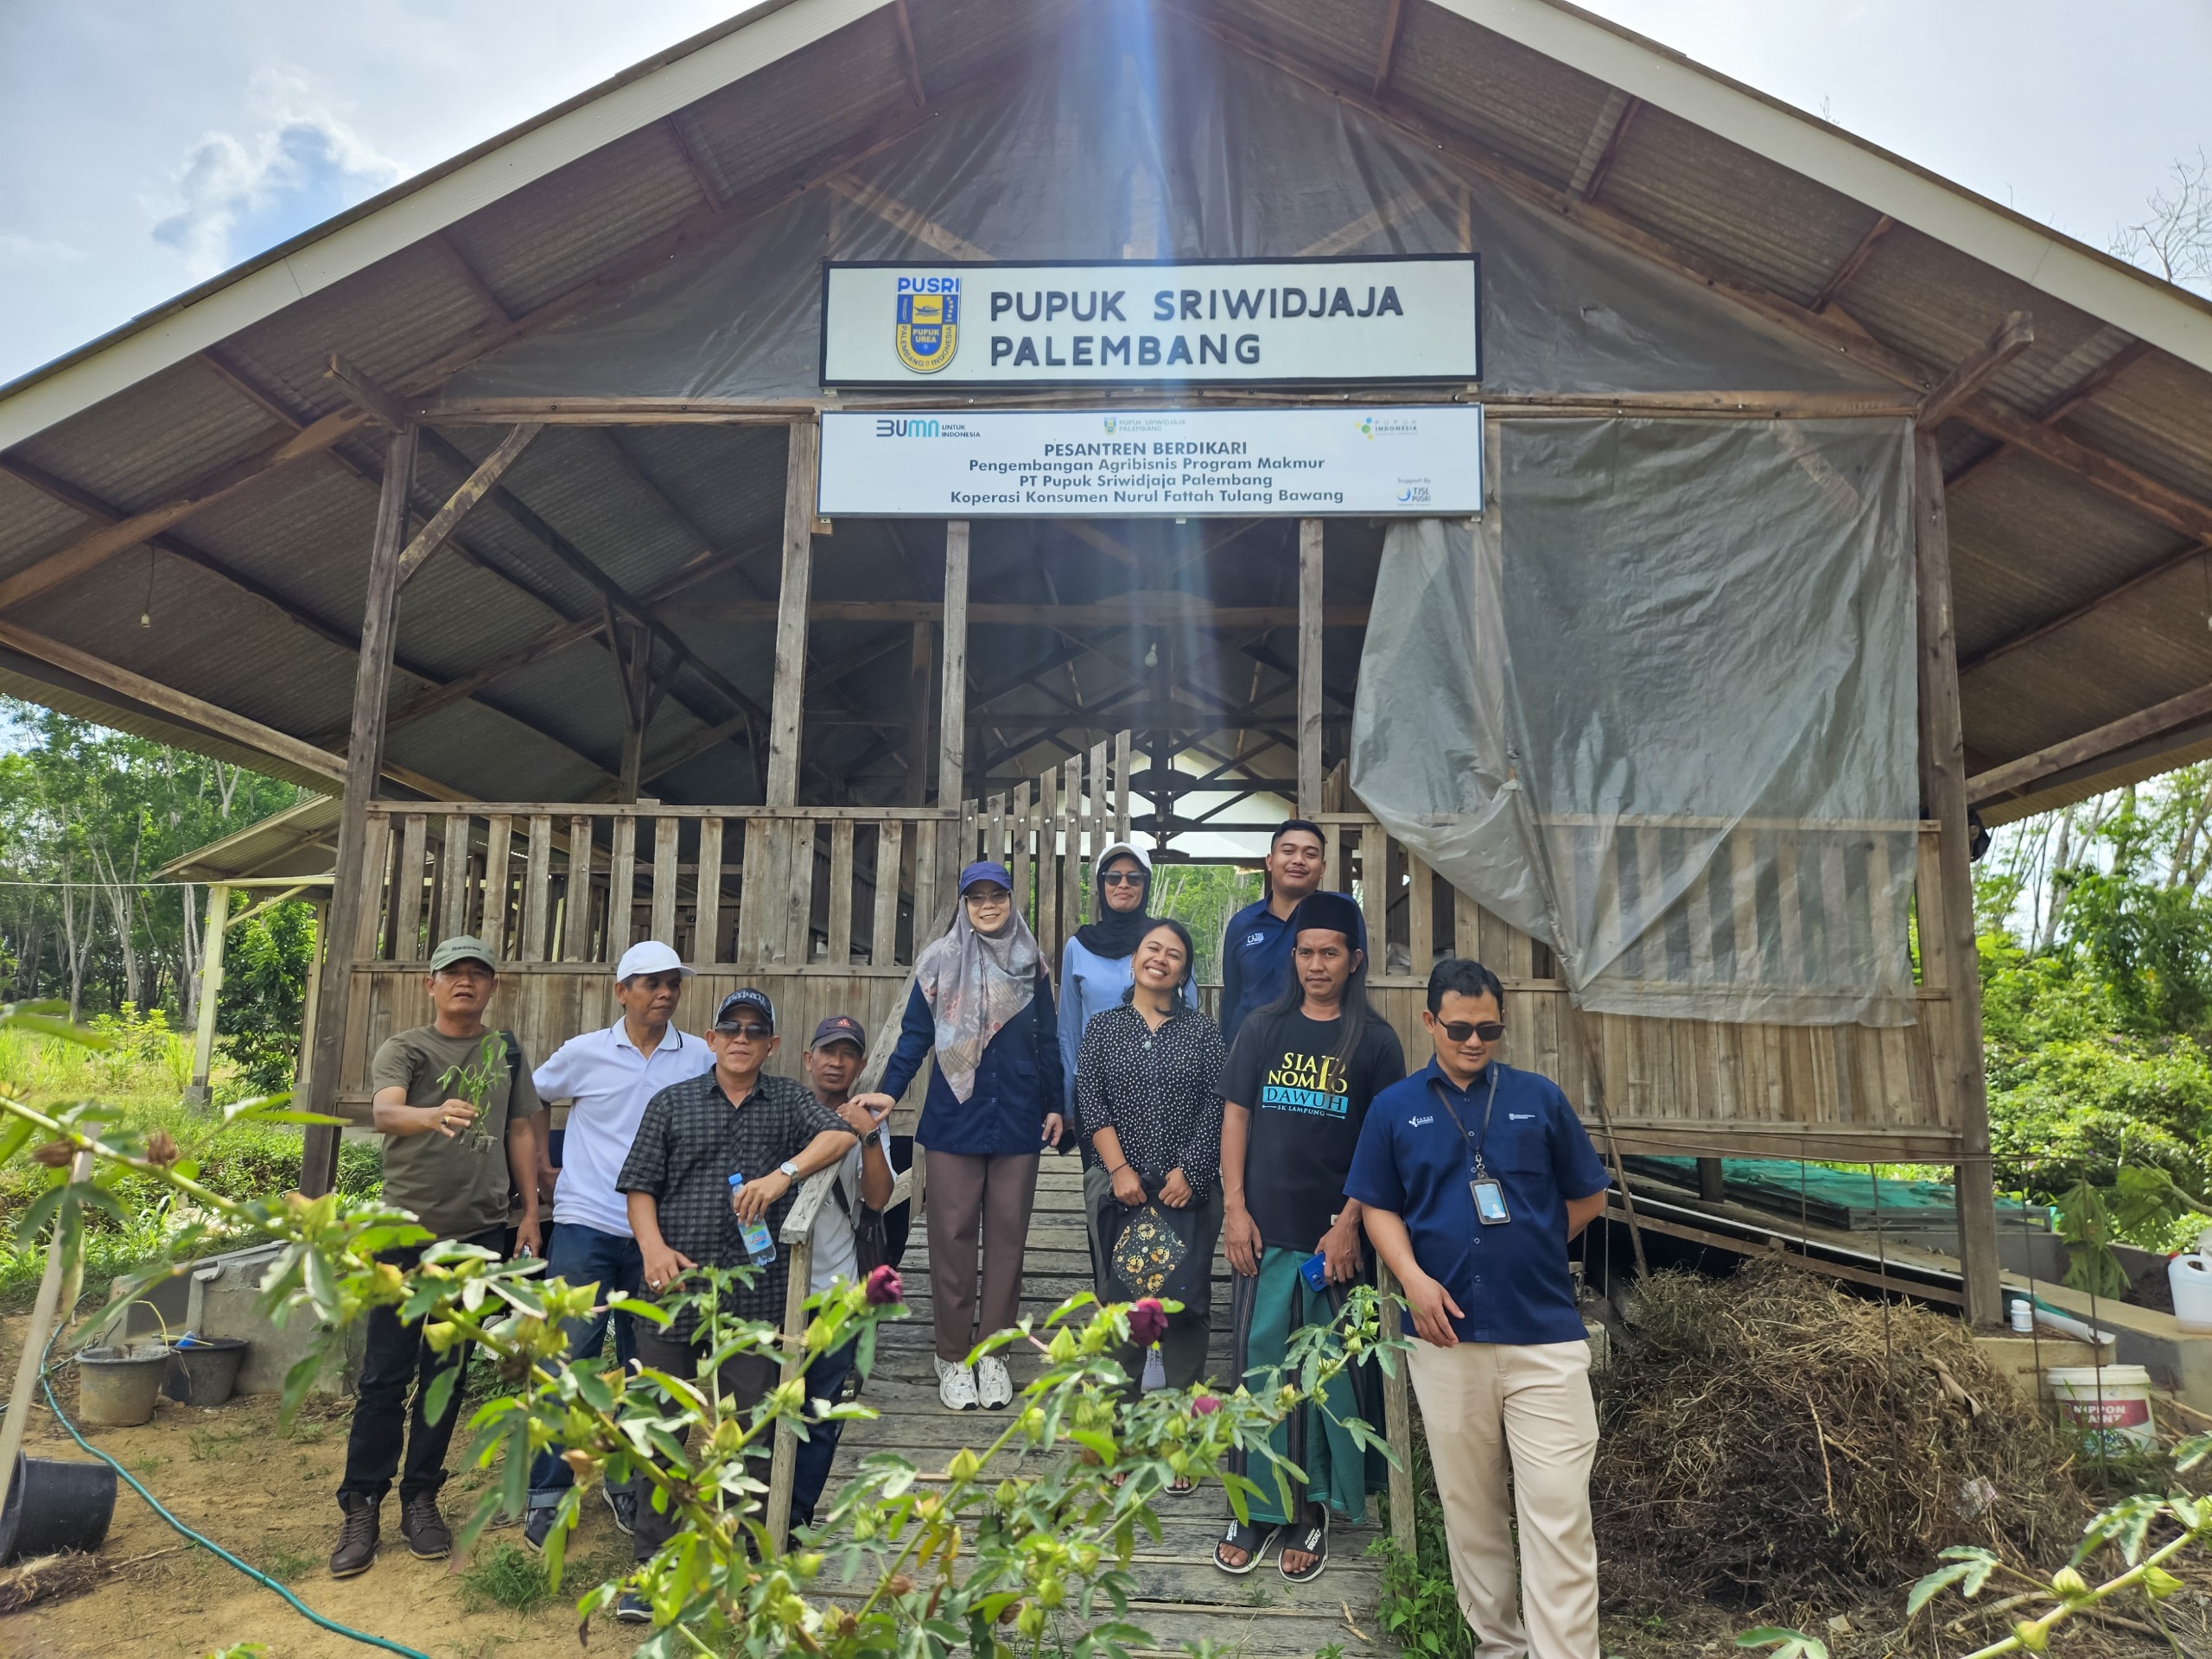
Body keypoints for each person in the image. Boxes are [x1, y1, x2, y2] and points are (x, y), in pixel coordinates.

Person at [1347, 959, 1611, 1659]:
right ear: (1429, 1021)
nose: (1473, 1042)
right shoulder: (1394, 1108)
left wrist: (1534, 1245)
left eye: (1488, 1030)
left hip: (1543, 1337)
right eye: (1460, 1028)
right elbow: (1377, 1206)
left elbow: (1588, 1195)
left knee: (1559, 1510)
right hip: (1445, 1340)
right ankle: (1500, 1648)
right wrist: (1411, 1279)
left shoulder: (1538, 1098)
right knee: (1472, 1513)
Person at [611, 987, 858, 1623]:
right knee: (660, 1430)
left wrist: (782, 1176)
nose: (741, 1039)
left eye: (754, 1030)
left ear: (771, 1045)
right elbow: (639, 1186)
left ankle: (740, 1564)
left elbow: (840, 1136)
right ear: (712, 1040)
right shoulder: (673, 1103)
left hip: (755, 1296)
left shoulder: (789, 1102)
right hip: (674, 1289)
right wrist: (652, 1250)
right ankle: (653, 1566)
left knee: (752, 1434)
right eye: (731, 1028)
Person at [332, 935, 545, 1580]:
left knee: (445, 1374)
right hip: (403, 1236)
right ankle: (361, 1503)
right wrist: (432, 1116)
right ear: (431, 984)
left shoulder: (505, 1050)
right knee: (383, 1376)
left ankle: (421, 1498)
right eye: (453, 973)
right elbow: (385, 1113)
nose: (465, 982)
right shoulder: (406, 1048)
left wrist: (529, 1211)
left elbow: (519, 1128)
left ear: (492, 987)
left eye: (478, 973)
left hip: (476, 1235)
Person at [1211, 892, 1404, 1583]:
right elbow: (1235, 1120)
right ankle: (1254, 1507)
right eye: (1305, 952)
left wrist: (1350, 1223)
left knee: (1323, 1379)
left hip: (1332, 1244)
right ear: (1292, 958)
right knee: (1258, 1368)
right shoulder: (1262, 1027)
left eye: (1330, 953)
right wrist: (1235, 1210)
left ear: (1354, 960)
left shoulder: (1376, 1041)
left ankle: (1310, 1511)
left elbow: (1384, 1143)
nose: (1316, 965)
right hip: (1262, 1233)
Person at [519, 939, 715, 1551]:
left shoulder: (699, 1055)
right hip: (585, 1223)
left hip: (658, 1235)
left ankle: (628, 1482)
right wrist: (542, 1169)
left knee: (646, 1367)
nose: (665, 993)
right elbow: (531, 1097)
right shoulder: (585, 1053)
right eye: (652, 983)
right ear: (621, 991)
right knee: (568, 1358)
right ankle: (550, 1488)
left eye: (673, 983)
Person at [853, 861, 1063, 1414]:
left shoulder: (1031, 963)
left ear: (1011, 901)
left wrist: (1056, 1105)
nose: (987, 906)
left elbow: (1047, 1040)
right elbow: (915, 1036)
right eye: (977, 898)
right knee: (951, 1234)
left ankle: (993, 1353)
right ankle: (951, 1354)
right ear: (964, 905)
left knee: (1009, 1237)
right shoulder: (940, 961)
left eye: (997, 896)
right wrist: (890, 1093)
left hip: (1018, 1115)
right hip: (954, 1116)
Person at [1077, 918, 1225, 1446]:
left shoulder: (1204, 1032)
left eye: (1174, 954)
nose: (1160, 958)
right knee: (1120, 1308)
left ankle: (1176, 1437)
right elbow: (1090, 1100)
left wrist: (1192, 1171)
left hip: (1187, 1190)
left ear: (1184, 972)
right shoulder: (1104, 1028)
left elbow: (1218, 1105)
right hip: (1121, 1190)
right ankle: (1115, 1435)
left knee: (1185, 1308)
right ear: (1135, 960)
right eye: (1152, 948)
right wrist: (1119, 1171)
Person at [790, 1013, 897, 1529]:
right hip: (777, 1288)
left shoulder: (871, 1120)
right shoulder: (782, 1109)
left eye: (848, 1054)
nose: (836, 1063)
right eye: (828, 1052)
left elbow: (878, 1198)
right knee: (766, 1407)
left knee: (821, 1411)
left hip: (838, 1287)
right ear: (808, 1058)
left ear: (859, 1065)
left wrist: (868, 1136)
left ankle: (796, 1518)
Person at [1058, 839, 1153, 1286]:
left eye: (1134, 877)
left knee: (1154, 1199)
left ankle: (1152, 1312)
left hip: (1158, 1092)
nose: (1123, 884)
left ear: (1146, 885)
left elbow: (1188, 1014)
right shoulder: (1079, 946)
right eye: (1113, 877)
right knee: (1106, 1196)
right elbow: (1068, 1030)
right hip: (1099, 1099)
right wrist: (1068, 1105)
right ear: (1100, 885)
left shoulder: (1163, 940)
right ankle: (1109, 1298)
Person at [1217, 820, 1328, 1049]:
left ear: (1322, 868)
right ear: (1270, 861)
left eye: (1310, 854)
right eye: (1288, 851)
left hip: (1315, 1052)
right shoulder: (1242, 923)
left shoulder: (1337, 915)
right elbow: (1232, 997)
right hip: (1250, 1050)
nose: (1298, 860)